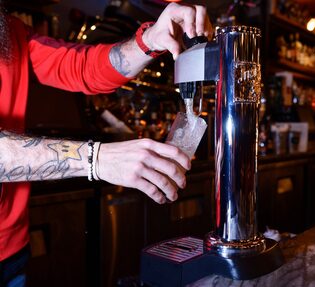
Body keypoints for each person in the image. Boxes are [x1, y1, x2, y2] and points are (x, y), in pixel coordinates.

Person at [0, 2, 213, 286]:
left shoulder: (9, 30)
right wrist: (96, 159)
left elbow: (80, 67)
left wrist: (149, 41)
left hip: (12, 246)